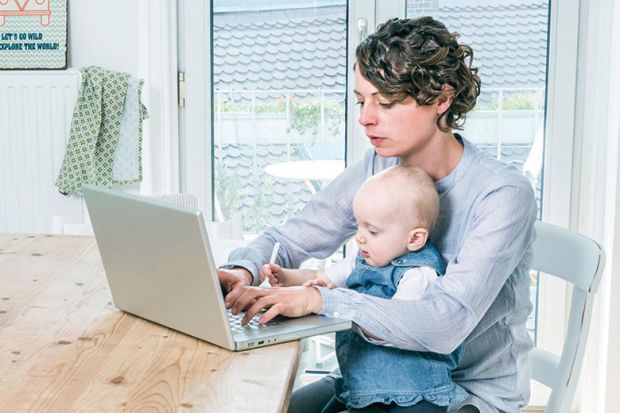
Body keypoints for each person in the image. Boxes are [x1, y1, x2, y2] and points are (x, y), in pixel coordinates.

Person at [218, 16, 537, 413]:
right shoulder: (378, 167)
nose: (365, 118)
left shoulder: (501, 194)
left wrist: (320, 301)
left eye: (385, 102)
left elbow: (445, 324)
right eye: (361, 100)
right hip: (373, 379)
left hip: (465, 394)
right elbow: (294, 237)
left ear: (442, 98)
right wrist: (242, 270)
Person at [261, 164, 468, 413]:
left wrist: (332, 300)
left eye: (372, 231)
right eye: (358, 226)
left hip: (413, 396)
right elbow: (319, 274)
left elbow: (393, 325)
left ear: (414, 239)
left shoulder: (418, 275)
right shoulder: (362, 259)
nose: (360, 237)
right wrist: (286, 276)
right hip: (366, 387)